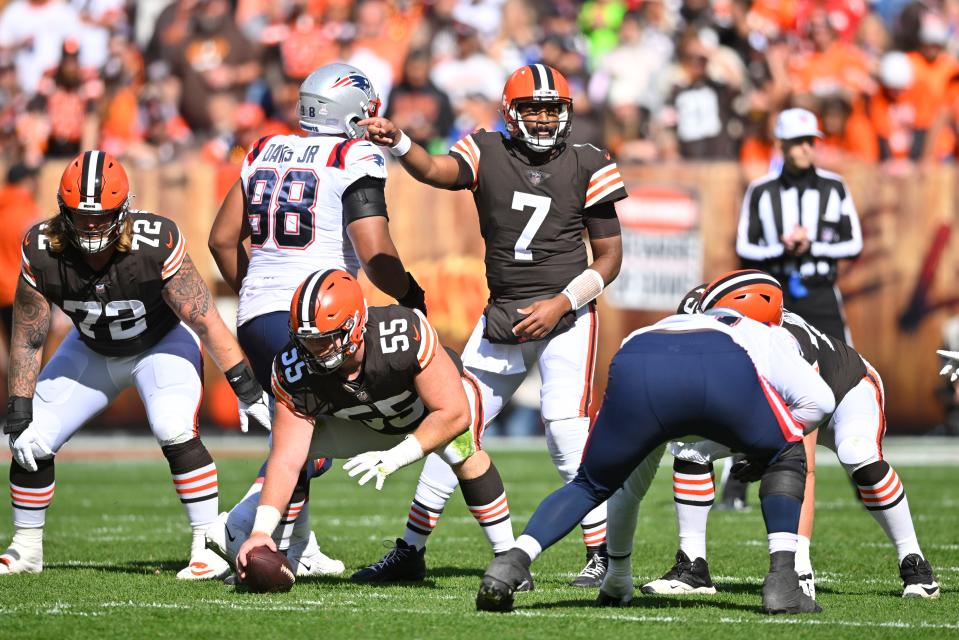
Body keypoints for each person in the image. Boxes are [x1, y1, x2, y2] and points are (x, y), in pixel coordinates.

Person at [357, 63, 626, 587]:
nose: (545, 119)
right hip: (504, 308)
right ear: (511, 112)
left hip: (567, 313)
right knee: (454, 424)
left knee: (566, 430)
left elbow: (610, 258)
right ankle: (411, 550)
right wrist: (400, 142)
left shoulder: (589, 161)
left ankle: (601, 557)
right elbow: (436, 171)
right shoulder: (488, 150)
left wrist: (561, 303)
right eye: (533, 109)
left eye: (553, 109)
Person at [206, 62, 437, 578]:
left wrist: (256, 292)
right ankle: (240, 527)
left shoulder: (264, 148)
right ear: (352, 110)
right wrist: (411, 295)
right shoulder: (352, 154)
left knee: (307, 432)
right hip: (314, 317)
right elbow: (375, 255)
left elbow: (221, 240)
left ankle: (293, 542)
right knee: (316, 435)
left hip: (256, 316)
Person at [0, 150, 271, 579]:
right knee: (31, 437)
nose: (90, 227)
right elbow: (29, 334)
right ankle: (26, 547)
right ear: (63, 210)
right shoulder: (42, 248)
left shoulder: (153, 242)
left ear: (123, 211)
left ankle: (206, 544)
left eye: (101, 216)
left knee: (173, 426)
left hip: (160, 344)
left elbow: (203, 317)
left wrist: (245, 384)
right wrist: (18, 404)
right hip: (90, 347)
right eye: (80, 216)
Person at [476, 302, 835, 614]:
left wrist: (617, 580)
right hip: (723, 364)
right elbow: (820, 402)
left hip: (637, 358)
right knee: (788, 451)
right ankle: (783, 582)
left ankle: (513, 562)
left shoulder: (663, 326)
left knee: (591, 483)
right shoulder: (765, 333)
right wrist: (757, 451)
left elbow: (624, 489)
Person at [605, 271, 939, 604]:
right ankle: (693, 568)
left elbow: (802, 452)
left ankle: (915, 563)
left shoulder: (784, 342)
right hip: (788, 405)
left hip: (845, 394)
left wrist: (800, 564)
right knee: (692, 450)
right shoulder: (735, 341)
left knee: (857, 453)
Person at [229, 270, 512, 584]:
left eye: (324, 338)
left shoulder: (403, 332)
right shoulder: (294, 368)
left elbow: (453, 412)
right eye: (306, 341)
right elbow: (285, 460)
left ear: (355, 325)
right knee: (293, 450)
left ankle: (508, 557)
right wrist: (259, 533)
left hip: (429, 412)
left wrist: (395, 458)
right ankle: (283, 551)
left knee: (463, 448)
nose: (314, 350)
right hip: (363, 422)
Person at [736, 107, 862, 344]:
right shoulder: (762, 190)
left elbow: (854, 245)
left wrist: (812, 247)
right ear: (780, 144)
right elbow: (744, 248)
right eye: (797, 141)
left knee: (842, 368)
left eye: (810, 141)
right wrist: (781, 250)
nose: (806, 148)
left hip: (821, 292)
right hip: (776, 295)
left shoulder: (834, 187)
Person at [0, 163, 41, 346]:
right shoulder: (28, 212)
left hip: (3, 293)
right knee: (29, 353)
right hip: (24, 293)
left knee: (10, 351)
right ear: (26, 182)